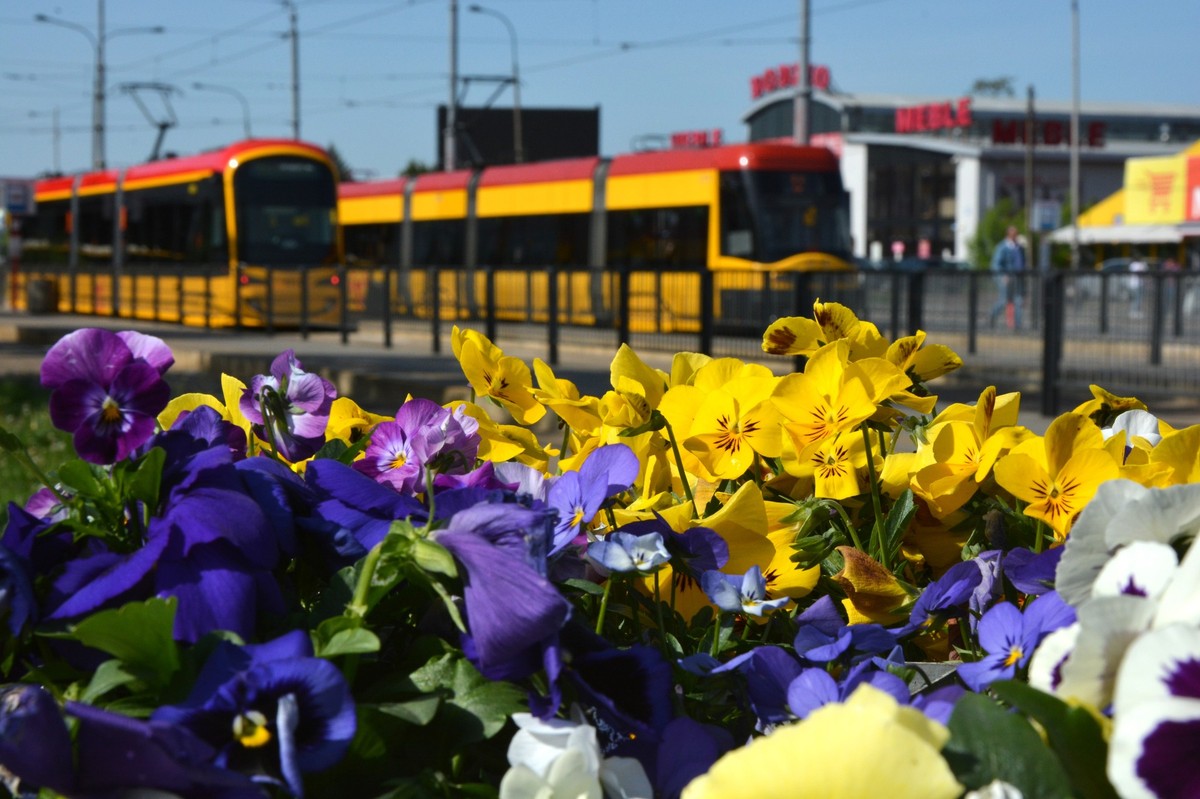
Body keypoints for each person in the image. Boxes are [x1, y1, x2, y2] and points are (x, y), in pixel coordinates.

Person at [989, 226, 1025, 329]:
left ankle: (1017, 326)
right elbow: (996, 265)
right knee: (1004, 300)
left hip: (1017, 278)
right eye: (1014, 234)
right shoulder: (1002, 247)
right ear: (1009, 235)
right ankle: (992, 316)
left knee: (1018, 300)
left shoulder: (1018, 247)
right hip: (1006, 278)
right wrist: (1002, 276)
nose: (1016, 236)